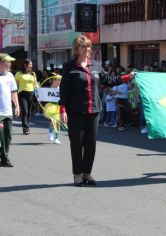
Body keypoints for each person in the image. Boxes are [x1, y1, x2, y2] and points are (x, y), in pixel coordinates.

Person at [59, 35, 133, 187]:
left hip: (94, 110)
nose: (86, 49)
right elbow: (64, 90)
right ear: (76, 49)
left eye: (88, 46)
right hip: (75, 111)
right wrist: (63, 109)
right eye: (83, 46)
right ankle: (77, 174)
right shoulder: (69, 66)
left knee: (91, 143)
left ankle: (87, 173)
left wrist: (127, 77)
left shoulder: (96, 66)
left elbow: (108, 81)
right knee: (77, 144)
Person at [0, 54, 20, 167]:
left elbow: (13, 92)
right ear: (1, 62)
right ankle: (4, 157)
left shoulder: (10, 76)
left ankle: (4, 157)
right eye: (8, 62)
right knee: (0, 134)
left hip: (8, 111)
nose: (10, 64)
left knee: (7, 136)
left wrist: (17, 106)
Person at [15, 59, 38, 135]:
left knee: (28, 112)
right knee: (25, 111)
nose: (31, 66)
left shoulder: (33, 74)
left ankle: (27, 126)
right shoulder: (19, 74)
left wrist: (38, 92)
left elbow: (35, 85)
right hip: (22, 93)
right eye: (30, 64)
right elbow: (15, 85)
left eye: (31, 64)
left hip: (31, 93)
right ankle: (25, 128)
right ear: (25, 65)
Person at [43, 73, 62, 144]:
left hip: (59, 107)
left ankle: (56, 138)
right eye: (58, 80)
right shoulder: (51, 88)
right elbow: (45, 94)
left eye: (60, 80)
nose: (59, 82)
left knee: (58, 123)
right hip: (51, 106)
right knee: (53, 121)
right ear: (54, 80)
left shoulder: (61, 88)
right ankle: (50, 132)